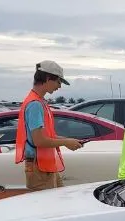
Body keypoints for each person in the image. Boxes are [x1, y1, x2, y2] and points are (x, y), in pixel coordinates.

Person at [14, 60, 83, 191]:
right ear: (47, 78)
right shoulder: (35, 104)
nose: (59, 86)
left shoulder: (39, 102)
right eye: (58, 81)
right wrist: (65, 142)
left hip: (45, 166)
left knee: (59, 201)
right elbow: (39, 140)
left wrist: (69, 141)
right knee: (49, 208)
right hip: (39, 168)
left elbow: (47, 136)